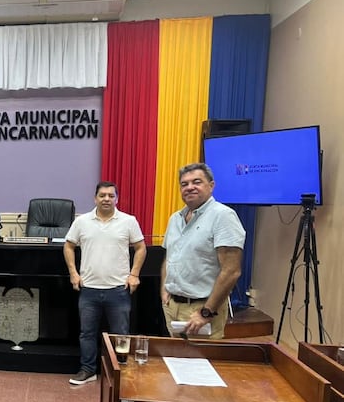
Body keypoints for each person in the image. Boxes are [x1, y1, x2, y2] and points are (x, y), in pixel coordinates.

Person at [64, 182, 147, 385]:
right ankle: (88, 370)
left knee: (121, 334)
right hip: (89, 289)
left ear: (116, 199)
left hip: (118, 290)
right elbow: (68, 246)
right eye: (102, 195)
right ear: (95, 198)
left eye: (111, 195)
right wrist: (73, 273)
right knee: (87, 333)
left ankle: (121, 372)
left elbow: (141, 247)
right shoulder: (82, 222)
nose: (106, 199)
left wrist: (134, 274)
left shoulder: (128, 221)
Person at [161, 163, 246, 339]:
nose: (190, 187)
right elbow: (169, 258)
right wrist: (165, 290)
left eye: (197, 182)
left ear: (211, 185)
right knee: (177, 361)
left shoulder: (223, 216)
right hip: (172, 307)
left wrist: (206, 312)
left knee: (200, 364)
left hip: (201, 310)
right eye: (184, 184)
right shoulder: (175, 218)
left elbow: (231, 271)